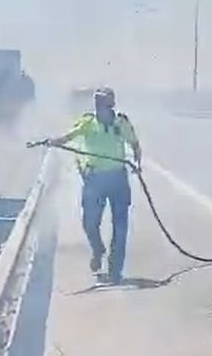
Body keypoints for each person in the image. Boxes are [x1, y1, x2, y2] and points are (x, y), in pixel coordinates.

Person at [44, 87, 143, 283]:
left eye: (104, 104)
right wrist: (53, 142)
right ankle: (98, 249)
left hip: (118, 180)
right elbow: (68, 137)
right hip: (94, 180)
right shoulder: (88, 122)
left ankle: (115, 271)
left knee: (120, 227)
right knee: (90, 223)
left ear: (111, 105)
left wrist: (138, 164)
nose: (100, 108)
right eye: (97, 104)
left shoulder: (121, 123)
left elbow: (135, 144)